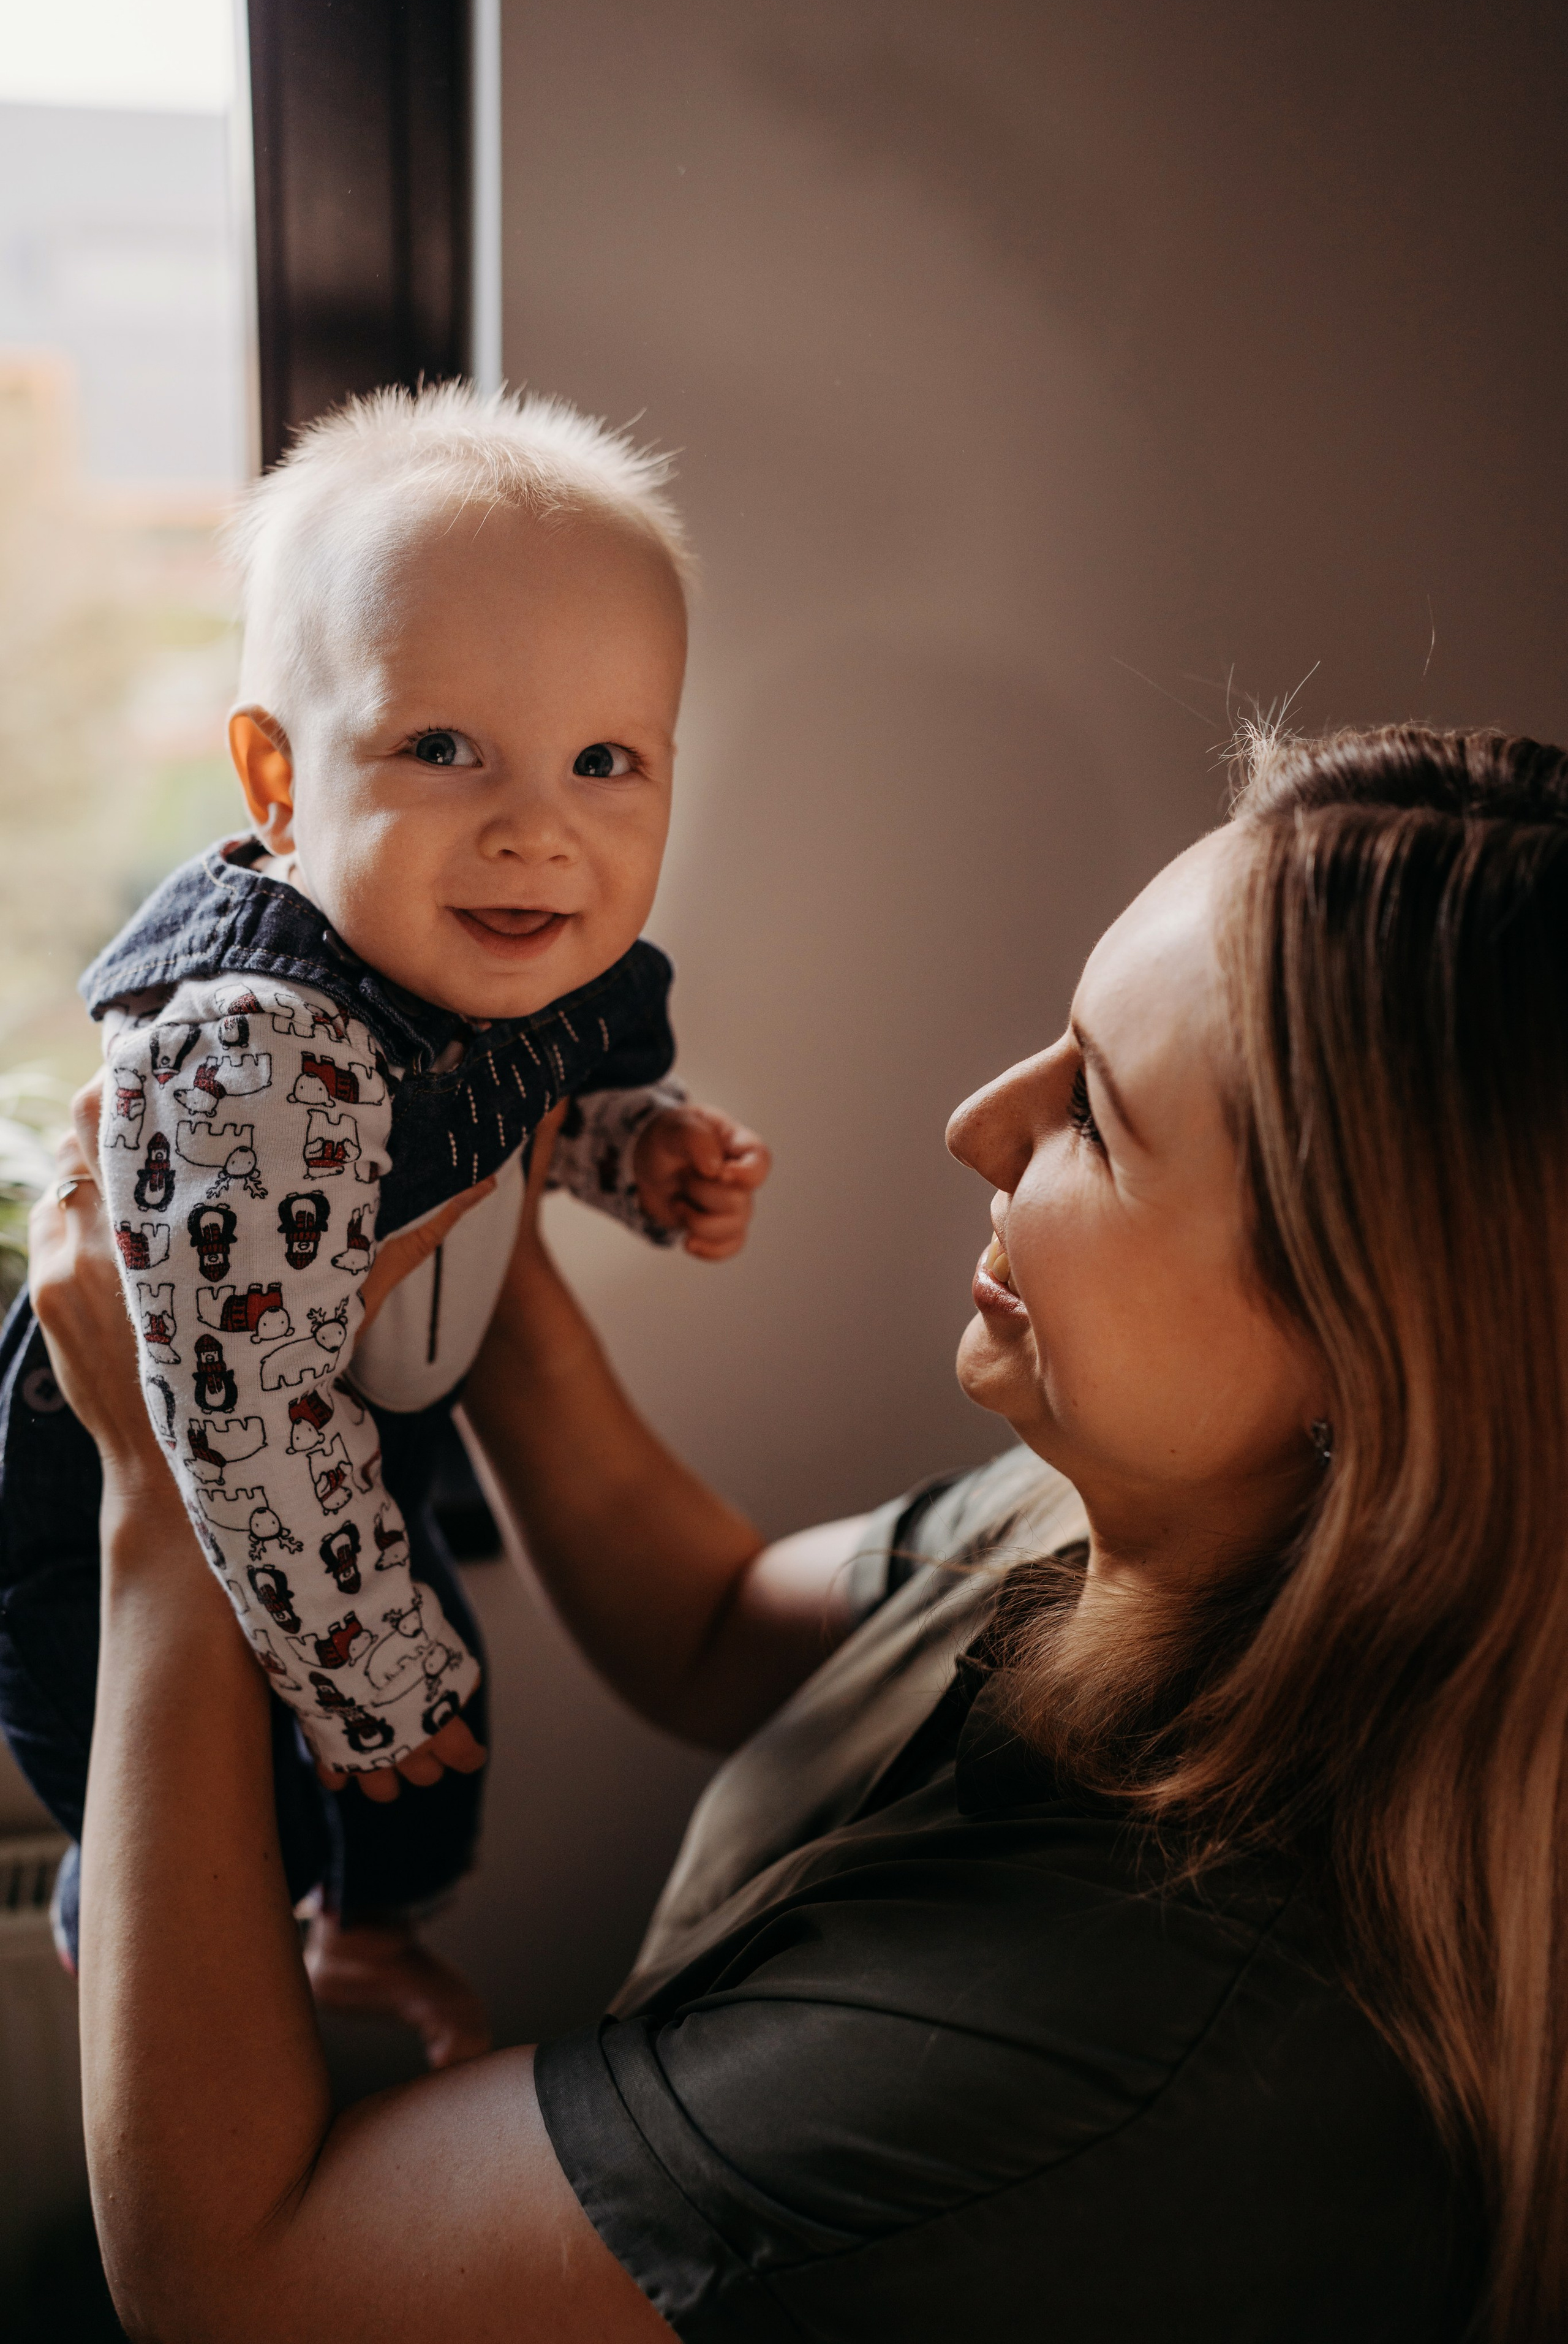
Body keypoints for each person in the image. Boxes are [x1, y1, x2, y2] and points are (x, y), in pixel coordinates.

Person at [29, 722, 1567, 2340]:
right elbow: (710, 1630)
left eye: (1096, 1120)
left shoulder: (1113, 2044)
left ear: (1364, 1360)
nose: (978, 1124)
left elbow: (235, 2282)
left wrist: (183, 1468)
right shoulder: (1131, 1516)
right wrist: (462, 1194)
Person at [0, 380, 768, 2059]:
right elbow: (232, 1407)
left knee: (428, 1749)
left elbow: (520, 1100)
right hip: (161, 1451)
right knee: (233, 1762)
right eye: (441, 749)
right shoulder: (260, 1053)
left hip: (344, 1428)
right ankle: (112, 1912)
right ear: (277, 780)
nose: (536, 826)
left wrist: (629, 1151)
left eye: (605, 762)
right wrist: (357, 1651)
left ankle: (359, 1933)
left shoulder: (489, 942)